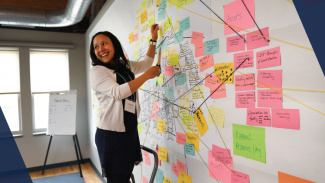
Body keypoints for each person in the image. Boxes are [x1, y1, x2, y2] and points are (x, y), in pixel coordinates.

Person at [89, 24, 161, 183]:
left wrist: (153, 40)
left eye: (104, 43)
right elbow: (118, 92)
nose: (100, 49)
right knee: (117, 179)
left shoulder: (123, 66)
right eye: (96, 47)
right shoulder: (97, 72)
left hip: (129, 129)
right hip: (111, 135)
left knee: (124, 175)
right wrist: (147, 76)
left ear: (114, 44)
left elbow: (145, 64)